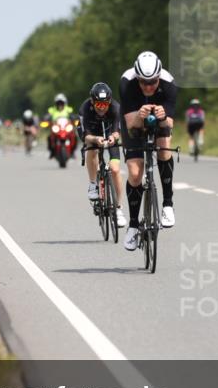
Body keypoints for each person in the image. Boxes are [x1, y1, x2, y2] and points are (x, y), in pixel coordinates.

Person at [119, 50, 177, 251]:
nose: (148, 87)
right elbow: (131, 128)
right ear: (137, 78)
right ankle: (134, 225)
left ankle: (168, 204)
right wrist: (139, 117)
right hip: (133, 120)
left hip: (159, 119)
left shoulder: (169, 83)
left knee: (164, 148)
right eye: (143, 82)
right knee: (135, 173)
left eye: (152, 82)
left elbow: (169, 123)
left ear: (159, 77)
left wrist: (162, 117)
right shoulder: (127, 83)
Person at [79, 82, 127, 228]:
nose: (102, 108)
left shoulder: (116, 108)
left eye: (105, 105)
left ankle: (118, 209)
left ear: (110, 102)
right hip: (92, 134)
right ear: (92, 102)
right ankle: (93, 184)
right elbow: (85, 136)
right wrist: (95, 139)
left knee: (115, 169)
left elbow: (117, 131)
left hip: (110, 133)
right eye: (98, 105)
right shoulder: (85, 109)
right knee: (91, 149)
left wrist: (113, 137)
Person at [46, 93, 74, 158]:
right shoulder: (52, 109)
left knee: (73, 136)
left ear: (64, 103)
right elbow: (48, 115)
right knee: (50, 137)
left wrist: (73, 117)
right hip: (56, 127)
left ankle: (72, 151)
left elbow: (72, 115)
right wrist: (47, 117)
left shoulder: (68, 109)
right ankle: (52, 151)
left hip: (66, 127)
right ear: (56, 103)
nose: (60, 105)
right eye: (58, 103)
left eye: (61, 103)